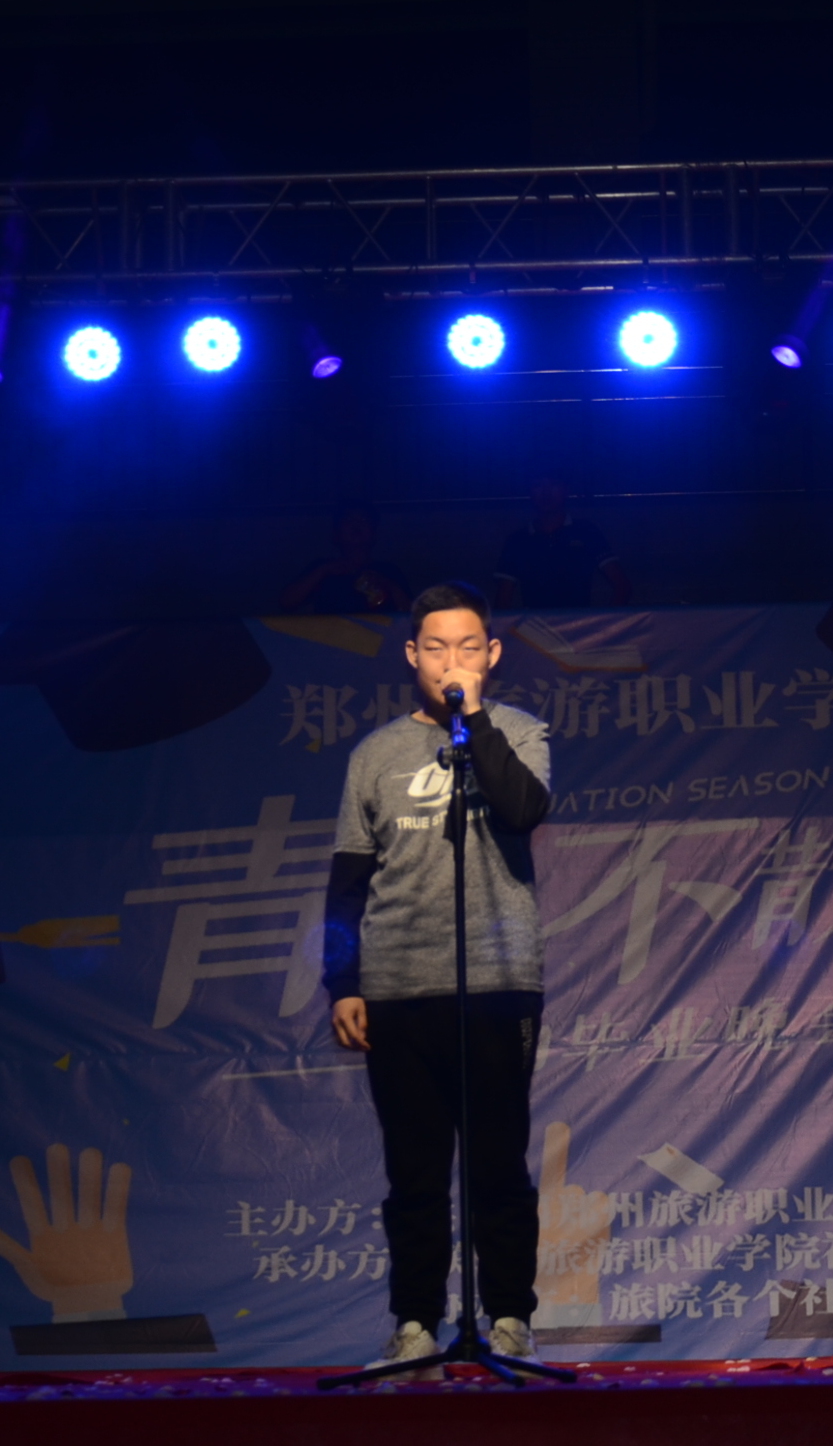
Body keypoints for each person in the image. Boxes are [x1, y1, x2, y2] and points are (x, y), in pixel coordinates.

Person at [324, 581, 554, 1372]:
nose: (450, 661)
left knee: (498, 1164)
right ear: (411, 655)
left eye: (468, 647)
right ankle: (415, 1325)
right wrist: (343, 984)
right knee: (414, 1171)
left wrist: (474, 716)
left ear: (491, 655)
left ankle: (511, 1320)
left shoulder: (518, 731)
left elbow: (521, 810)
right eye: (435, 647)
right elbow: (347, 886)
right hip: (398, 986)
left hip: (498, 982)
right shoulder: (374, 755)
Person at [493, 476, 630, 610]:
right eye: (538, 485)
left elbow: (622, 586)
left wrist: (605, 623)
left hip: (579, 623)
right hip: (533, 625)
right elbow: (502, 599)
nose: (545, 493)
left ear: (566, 489)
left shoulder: (586, 532)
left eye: (553, 484)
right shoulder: (517, 540)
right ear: (530, 492)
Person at [279, 503, 413, 614]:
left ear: (373, 534)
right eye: (349, 520)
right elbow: (286, 602)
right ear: (336, 534)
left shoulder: (389, 571)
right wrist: (322, 571)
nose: (356, 525)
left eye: (363, 520)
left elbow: (412, 615)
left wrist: (389, 586)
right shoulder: (322, 568)